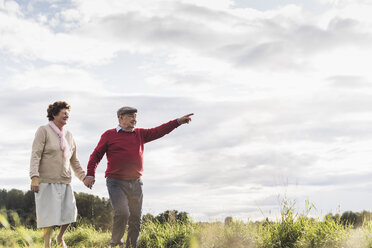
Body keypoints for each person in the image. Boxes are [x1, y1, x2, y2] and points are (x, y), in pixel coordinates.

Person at [84, 106, 193, 248]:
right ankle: (115, 243)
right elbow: (96, 155)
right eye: (130, 116)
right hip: (115, 182)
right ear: (120, 118)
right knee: (122, 212)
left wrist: (178, 121)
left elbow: (160, 130)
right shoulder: (109, 135)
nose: (134, 119)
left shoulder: (140, 134)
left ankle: (131, 246)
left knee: (136, 218)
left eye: (135, 116)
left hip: (136, 183)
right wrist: (90, 174)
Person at [30, 101, 87, 248]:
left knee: (70, 213)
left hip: (65, 180)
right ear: (54, 114)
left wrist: (83, 177)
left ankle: (59, 237)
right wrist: (34, 177)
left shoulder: (69, 135)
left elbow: (74, 160)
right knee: (48, 216)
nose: (67, 115)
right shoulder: (43, 130)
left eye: (68, 113)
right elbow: (35, 155)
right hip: (46, 180)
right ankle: (47, 244)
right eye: (63, 112)